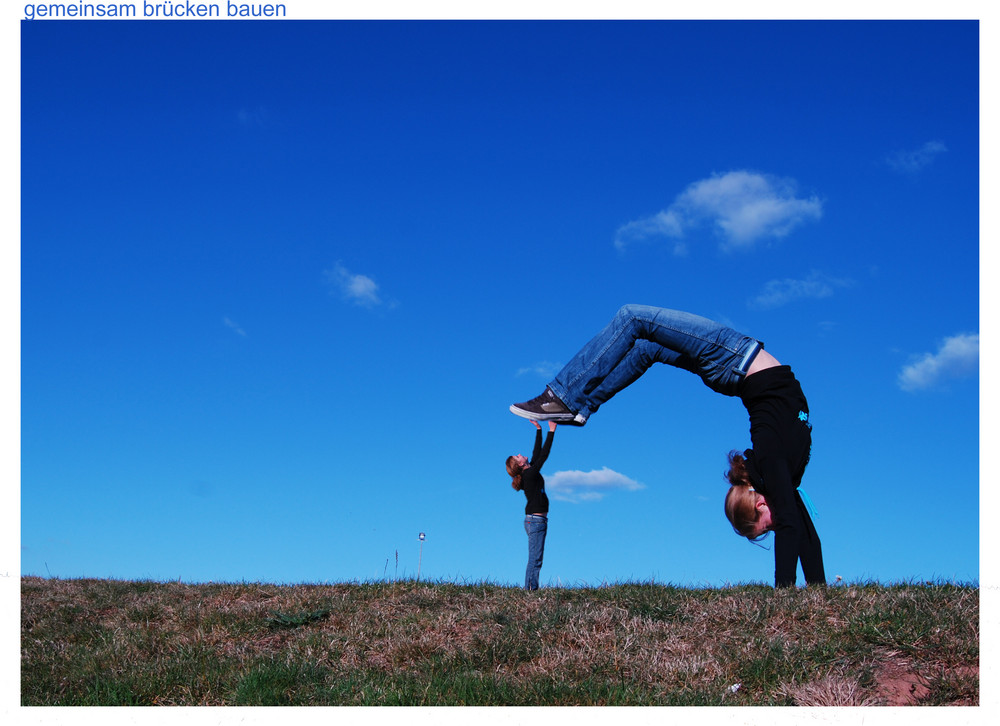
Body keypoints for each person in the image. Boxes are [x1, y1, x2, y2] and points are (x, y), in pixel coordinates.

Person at [510, 304, 825, 588]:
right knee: (642, 337)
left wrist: (798, 596)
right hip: (734, 363)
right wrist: (804, 591)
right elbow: (796, 528)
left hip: (735, 362)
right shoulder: (775, 469)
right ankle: (573, 403)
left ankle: (567, 400)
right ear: (759, 507)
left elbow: (796, 527)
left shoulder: (772, 469)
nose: (776, 524)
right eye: (766, 527)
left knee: (633, 318)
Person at [505, 419, 557, 591]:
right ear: (520, 464)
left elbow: (536, 453)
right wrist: (552, 431)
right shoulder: (529, 475)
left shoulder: (530, 472)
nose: (520, 454)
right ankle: (529, 591)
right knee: (535, 559)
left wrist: (538, 429)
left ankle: (530, 589)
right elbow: (544, 455)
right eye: (517, 456)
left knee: (536, 558)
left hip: (536, 521)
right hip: (535, 521)